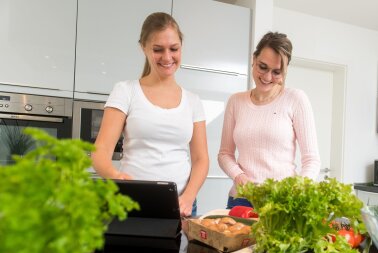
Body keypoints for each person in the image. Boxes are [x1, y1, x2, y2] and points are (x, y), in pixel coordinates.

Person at [91, 12, 209, 217]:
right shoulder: (126, 91)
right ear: (143, 48)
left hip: (181, 205)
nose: (167, 57)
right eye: (157, 49)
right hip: (133, 203)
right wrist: (117, 177)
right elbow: (100, 153)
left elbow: (201, 159)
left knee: (180, 251)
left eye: (174, 49)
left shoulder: (193, 101)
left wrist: (189, 196)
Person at [218, 32, 321, 209]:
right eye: (262, 67)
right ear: (254, 59)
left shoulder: (296, 99)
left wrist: (297, 190)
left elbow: (312, 159)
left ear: (285, 71)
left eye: (276, 72)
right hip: (241, 199)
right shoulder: (236, 101)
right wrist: (238, 176)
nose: (267, 77)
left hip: (281, 201)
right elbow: (224, 154)